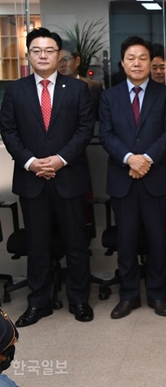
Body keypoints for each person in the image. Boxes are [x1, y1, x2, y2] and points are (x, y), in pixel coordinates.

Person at [0, 28, 95, 327]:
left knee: (76, 243)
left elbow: (84, 130)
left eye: (49, 50)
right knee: (37, 244)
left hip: (69, 176)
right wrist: (31, 162)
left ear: (59, 56)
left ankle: (79, 300)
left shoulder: (78, 89)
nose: (43, 55)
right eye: (37, 50)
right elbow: (9, 130)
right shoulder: (14, 90)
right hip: (32, 180)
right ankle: (39, 302)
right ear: (29, 55)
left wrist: (60, 159)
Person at [99, 36, 166, 319]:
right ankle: (129, 295)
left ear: (151, 62)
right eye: (131, 58)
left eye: (142, 58)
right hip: (123, 179)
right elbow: (106, 134)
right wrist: (128, 158)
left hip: (155, 176)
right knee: (126, 240)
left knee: (158, 239)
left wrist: (145, 159)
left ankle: (158, 294)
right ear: (122, 63)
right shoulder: (109, 97)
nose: (137, 63)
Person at [57, 47, 104, 122]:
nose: (62, 64)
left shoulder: (93, 86)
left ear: (77, 61)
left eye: (66, 59)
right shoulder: (51, 88)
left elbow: (99, 117)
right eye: (58, 61)